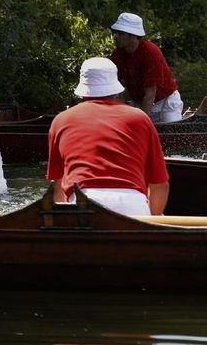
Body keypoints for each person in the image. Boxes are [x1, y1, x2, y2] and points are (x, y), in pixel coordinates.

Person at [46, 57, 169, 216]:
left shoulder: (61, 120)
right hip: (132, 205)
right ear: (116, 90)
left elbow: (58, 188)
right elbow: (160, 185)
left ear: (82, 89)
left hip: (82, 203)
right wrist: (153, 222)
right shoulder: (140, 118)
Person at [110, 12, 183, 122]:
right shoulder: (117, 55)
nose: (116, 37)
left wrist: (142, 123)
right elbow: (112, 86)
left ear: (132, 35)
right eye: (116, 33)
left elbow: (150, 95)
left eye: (120, 33)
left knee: (171, 132)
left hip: (165, 103)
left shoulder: (150, 52)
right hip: (141, 103)